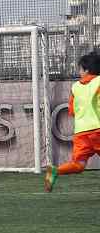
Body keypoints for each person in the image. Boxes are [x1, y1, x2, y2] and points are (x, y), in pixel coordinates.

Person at [44, 52, 100, 192]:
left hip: (81, 132)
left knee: (78, 165)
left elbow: (72, 110)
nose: (79, 72)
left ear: (86, 70)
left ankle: (55, 170)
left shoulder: (75, 87)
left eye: (80, 69)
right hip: (97, 129)